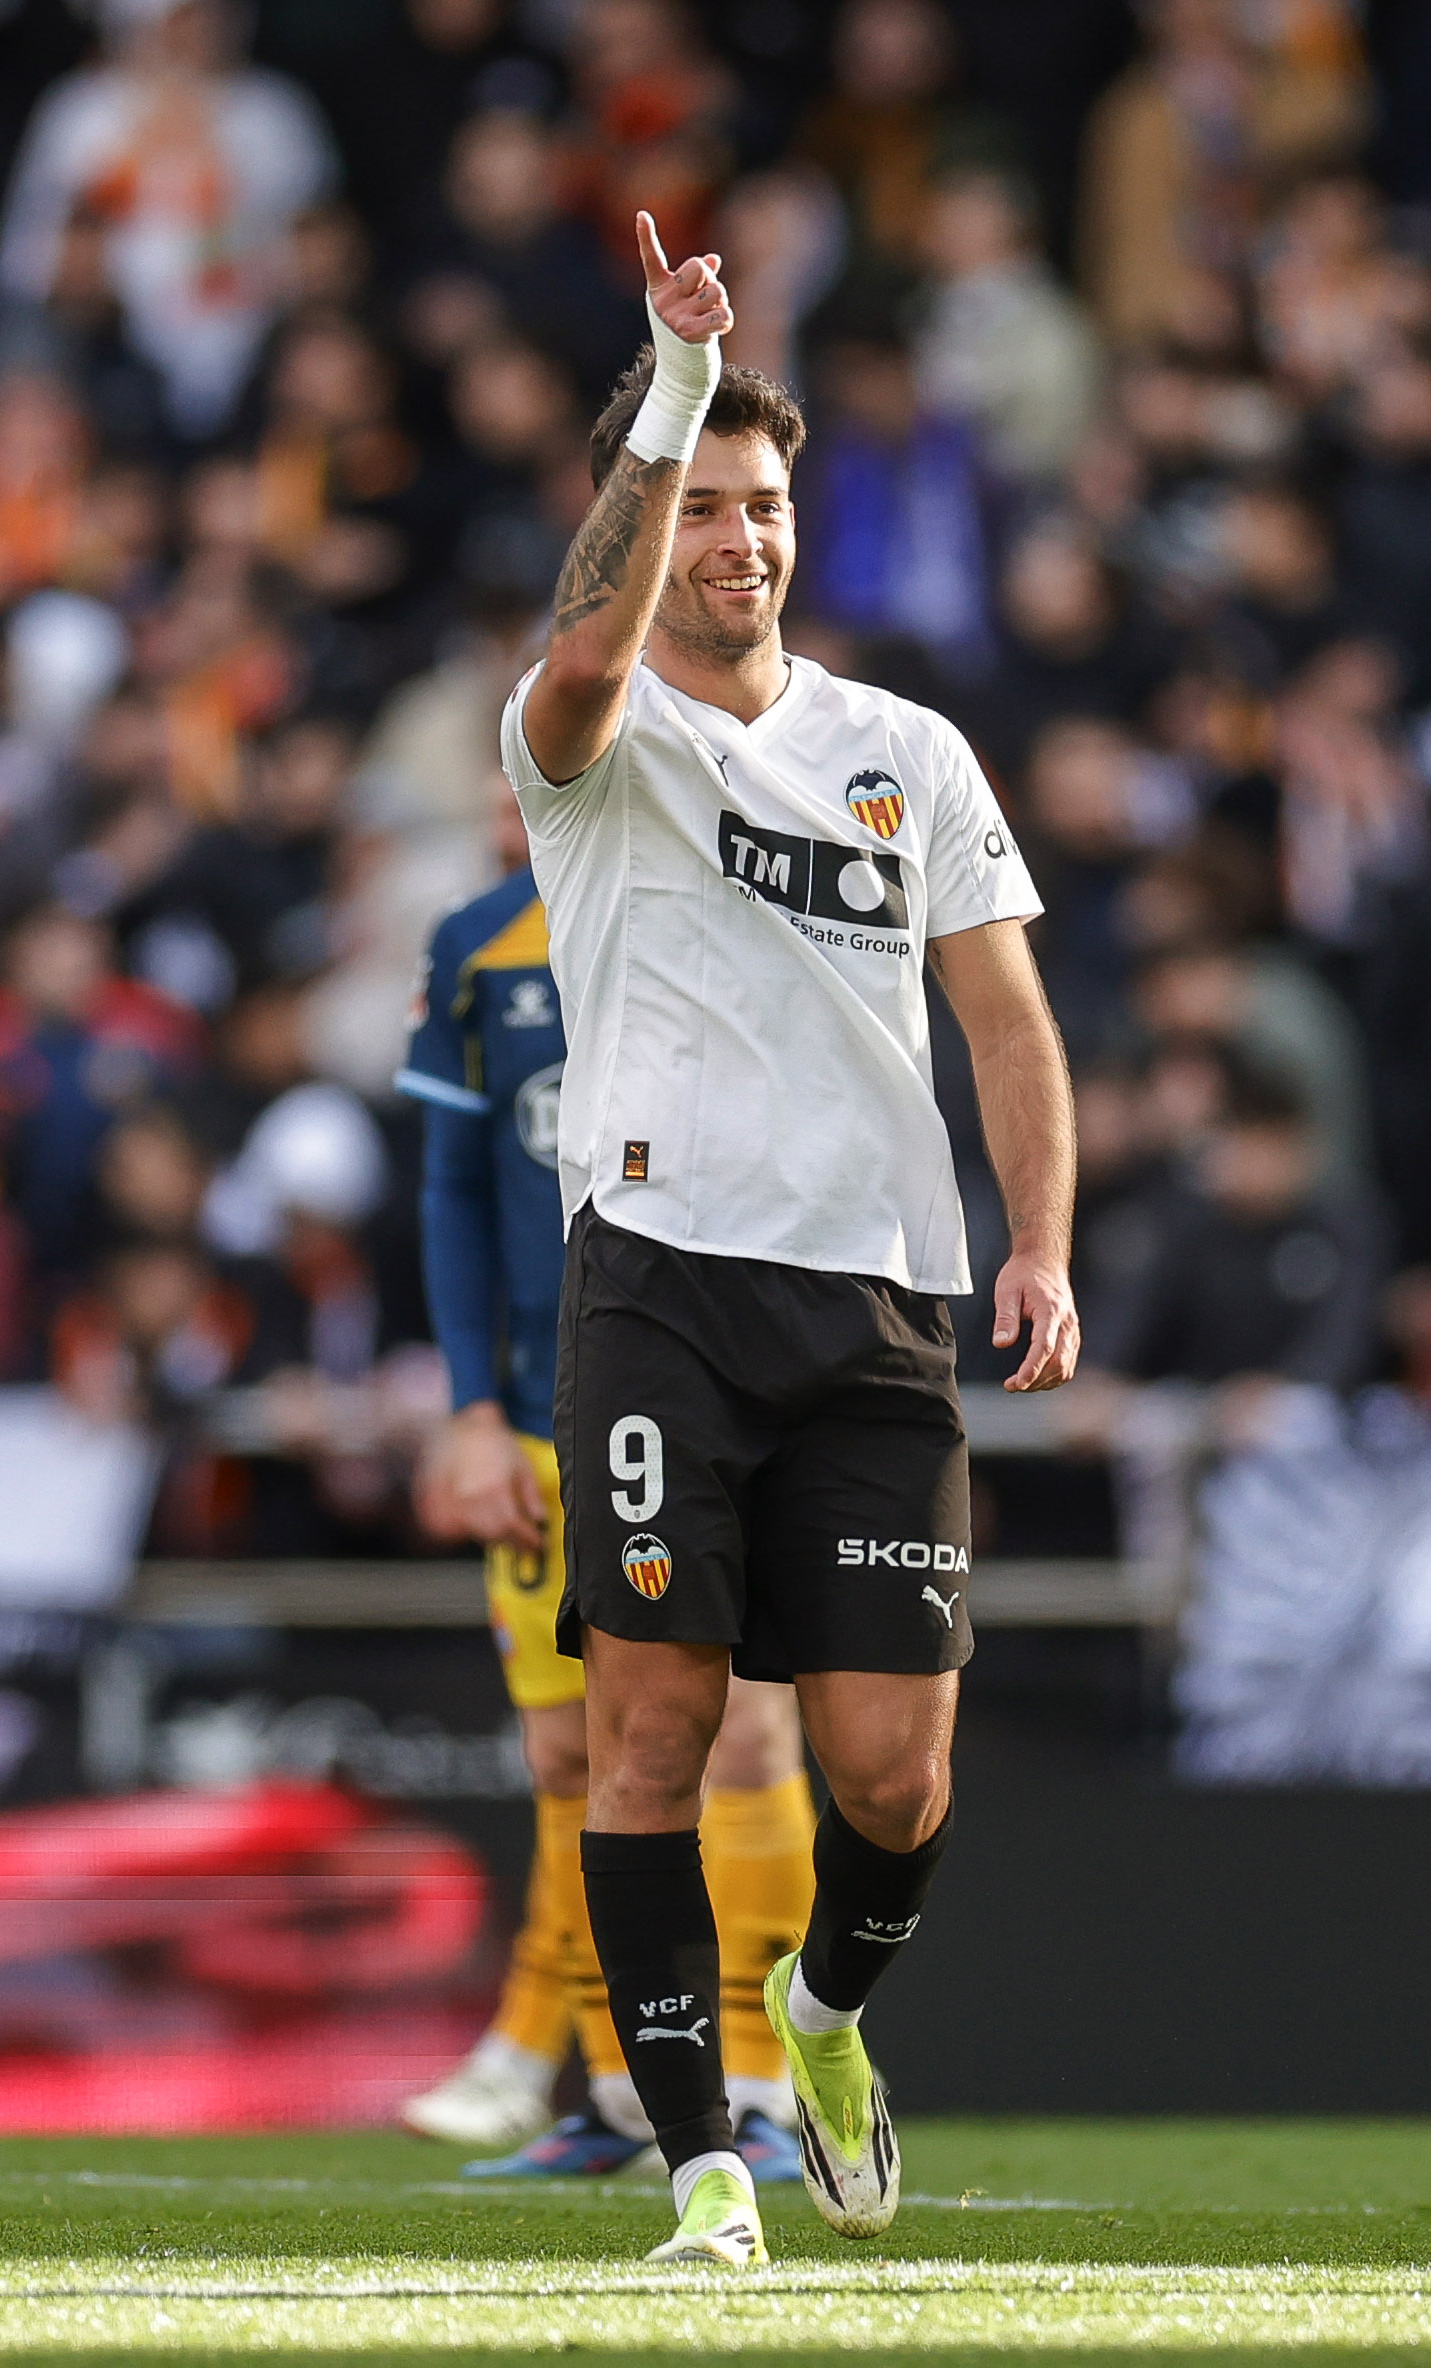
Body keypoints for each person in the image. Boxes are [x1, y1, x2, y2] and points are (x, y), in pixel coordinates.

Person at [504, 214, 1075, 2265]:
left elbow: (1003, 1014)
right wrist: (670, 385)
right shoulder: (583, 739)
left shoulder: (902, 752)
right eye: (705, 506)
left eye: (766, 505)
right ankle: (702, 2170)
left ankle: (823, 2014)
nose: (741, 538)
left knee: (892, 1772)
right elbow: (585, 650)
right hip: (655, 1275)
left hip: (876, 1303)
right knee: (648, 1730)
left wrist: (1040, 1241)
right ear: (647, 520)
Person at [394, 777, 815, 2184]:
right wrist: (464, 1410)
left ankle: (761, 2090)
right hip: (532, 1420)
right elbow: (453, 1187)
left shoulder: (734, 918)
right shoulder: (477, 946)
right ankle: (618, 2095)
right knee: (575, 1758)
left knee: (744, 1742)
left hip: (707, 1402)